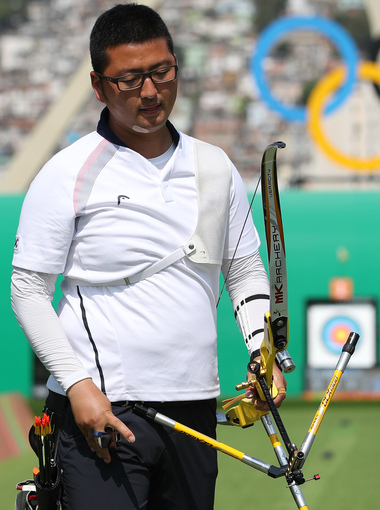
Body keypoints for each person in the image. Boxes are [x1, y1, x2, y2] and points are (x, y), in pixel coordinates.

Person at [11, 3, 286, 509]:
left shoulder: (214, 165)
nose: (151, 92)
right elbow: (27, 291)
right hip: (103, 412)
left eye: (162, 72)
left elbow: (243, 270)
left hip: (194, 409)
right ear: (98, 86)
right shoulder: (66, 172)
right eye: (130, 79)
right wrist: (78, 387)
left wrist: (261, 351)